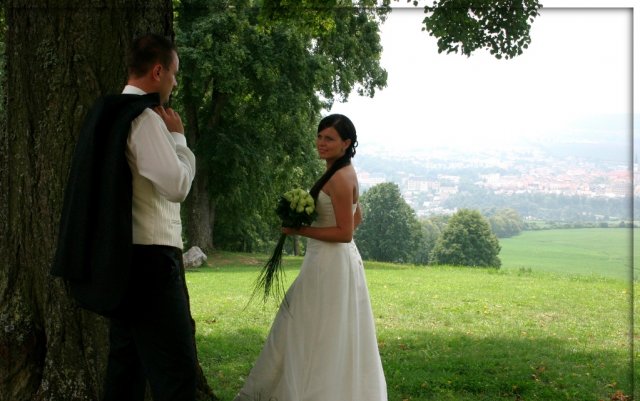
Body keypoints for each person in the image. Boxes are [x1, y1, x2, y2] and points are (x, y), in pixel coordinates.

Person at [234, 114, 387, 401]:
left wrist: (301, 230)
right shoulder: (341, 171)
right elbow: (357, 217)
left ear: (346, 143)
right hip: (331, 260)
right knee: (311, 323)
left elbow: (346, 233)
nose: (321, 143)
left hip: (330, 264)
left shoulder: (340, 178)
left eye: (329, 138)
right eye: (319, 136)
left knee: (315, 327)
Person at [101, 34, 198, 401]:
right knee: (176, 371)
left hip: (122, 258)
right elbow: (176, 186)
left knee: (125, 368)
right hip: (151, 262)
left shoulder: (108, 113)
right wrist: (179, 140)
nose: (175, 83)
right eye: (174, 74)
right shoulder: (144, 119)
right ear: (158, 72)